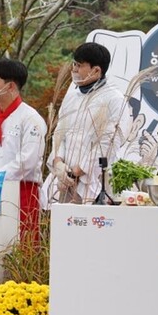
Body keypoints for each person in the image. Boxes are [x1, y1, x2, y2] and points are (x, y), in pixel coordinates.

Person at [42, 42, 132, 206]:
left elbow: (109, 142)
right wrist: (58, 164)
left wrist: (76, 172)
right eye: (74, 64)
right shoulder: (72, 96)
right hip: (62, 178)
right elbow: (60, 133)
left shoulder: (114, 99)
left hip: (91, 181)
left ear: (96, 70)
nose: (74, 69)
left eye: (79, 65)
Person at [0, 59, 46, 234]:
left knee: (22, 244)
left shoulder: (31, 118)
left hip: (22, 192)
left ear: (11, 86)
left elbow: (27, 160)